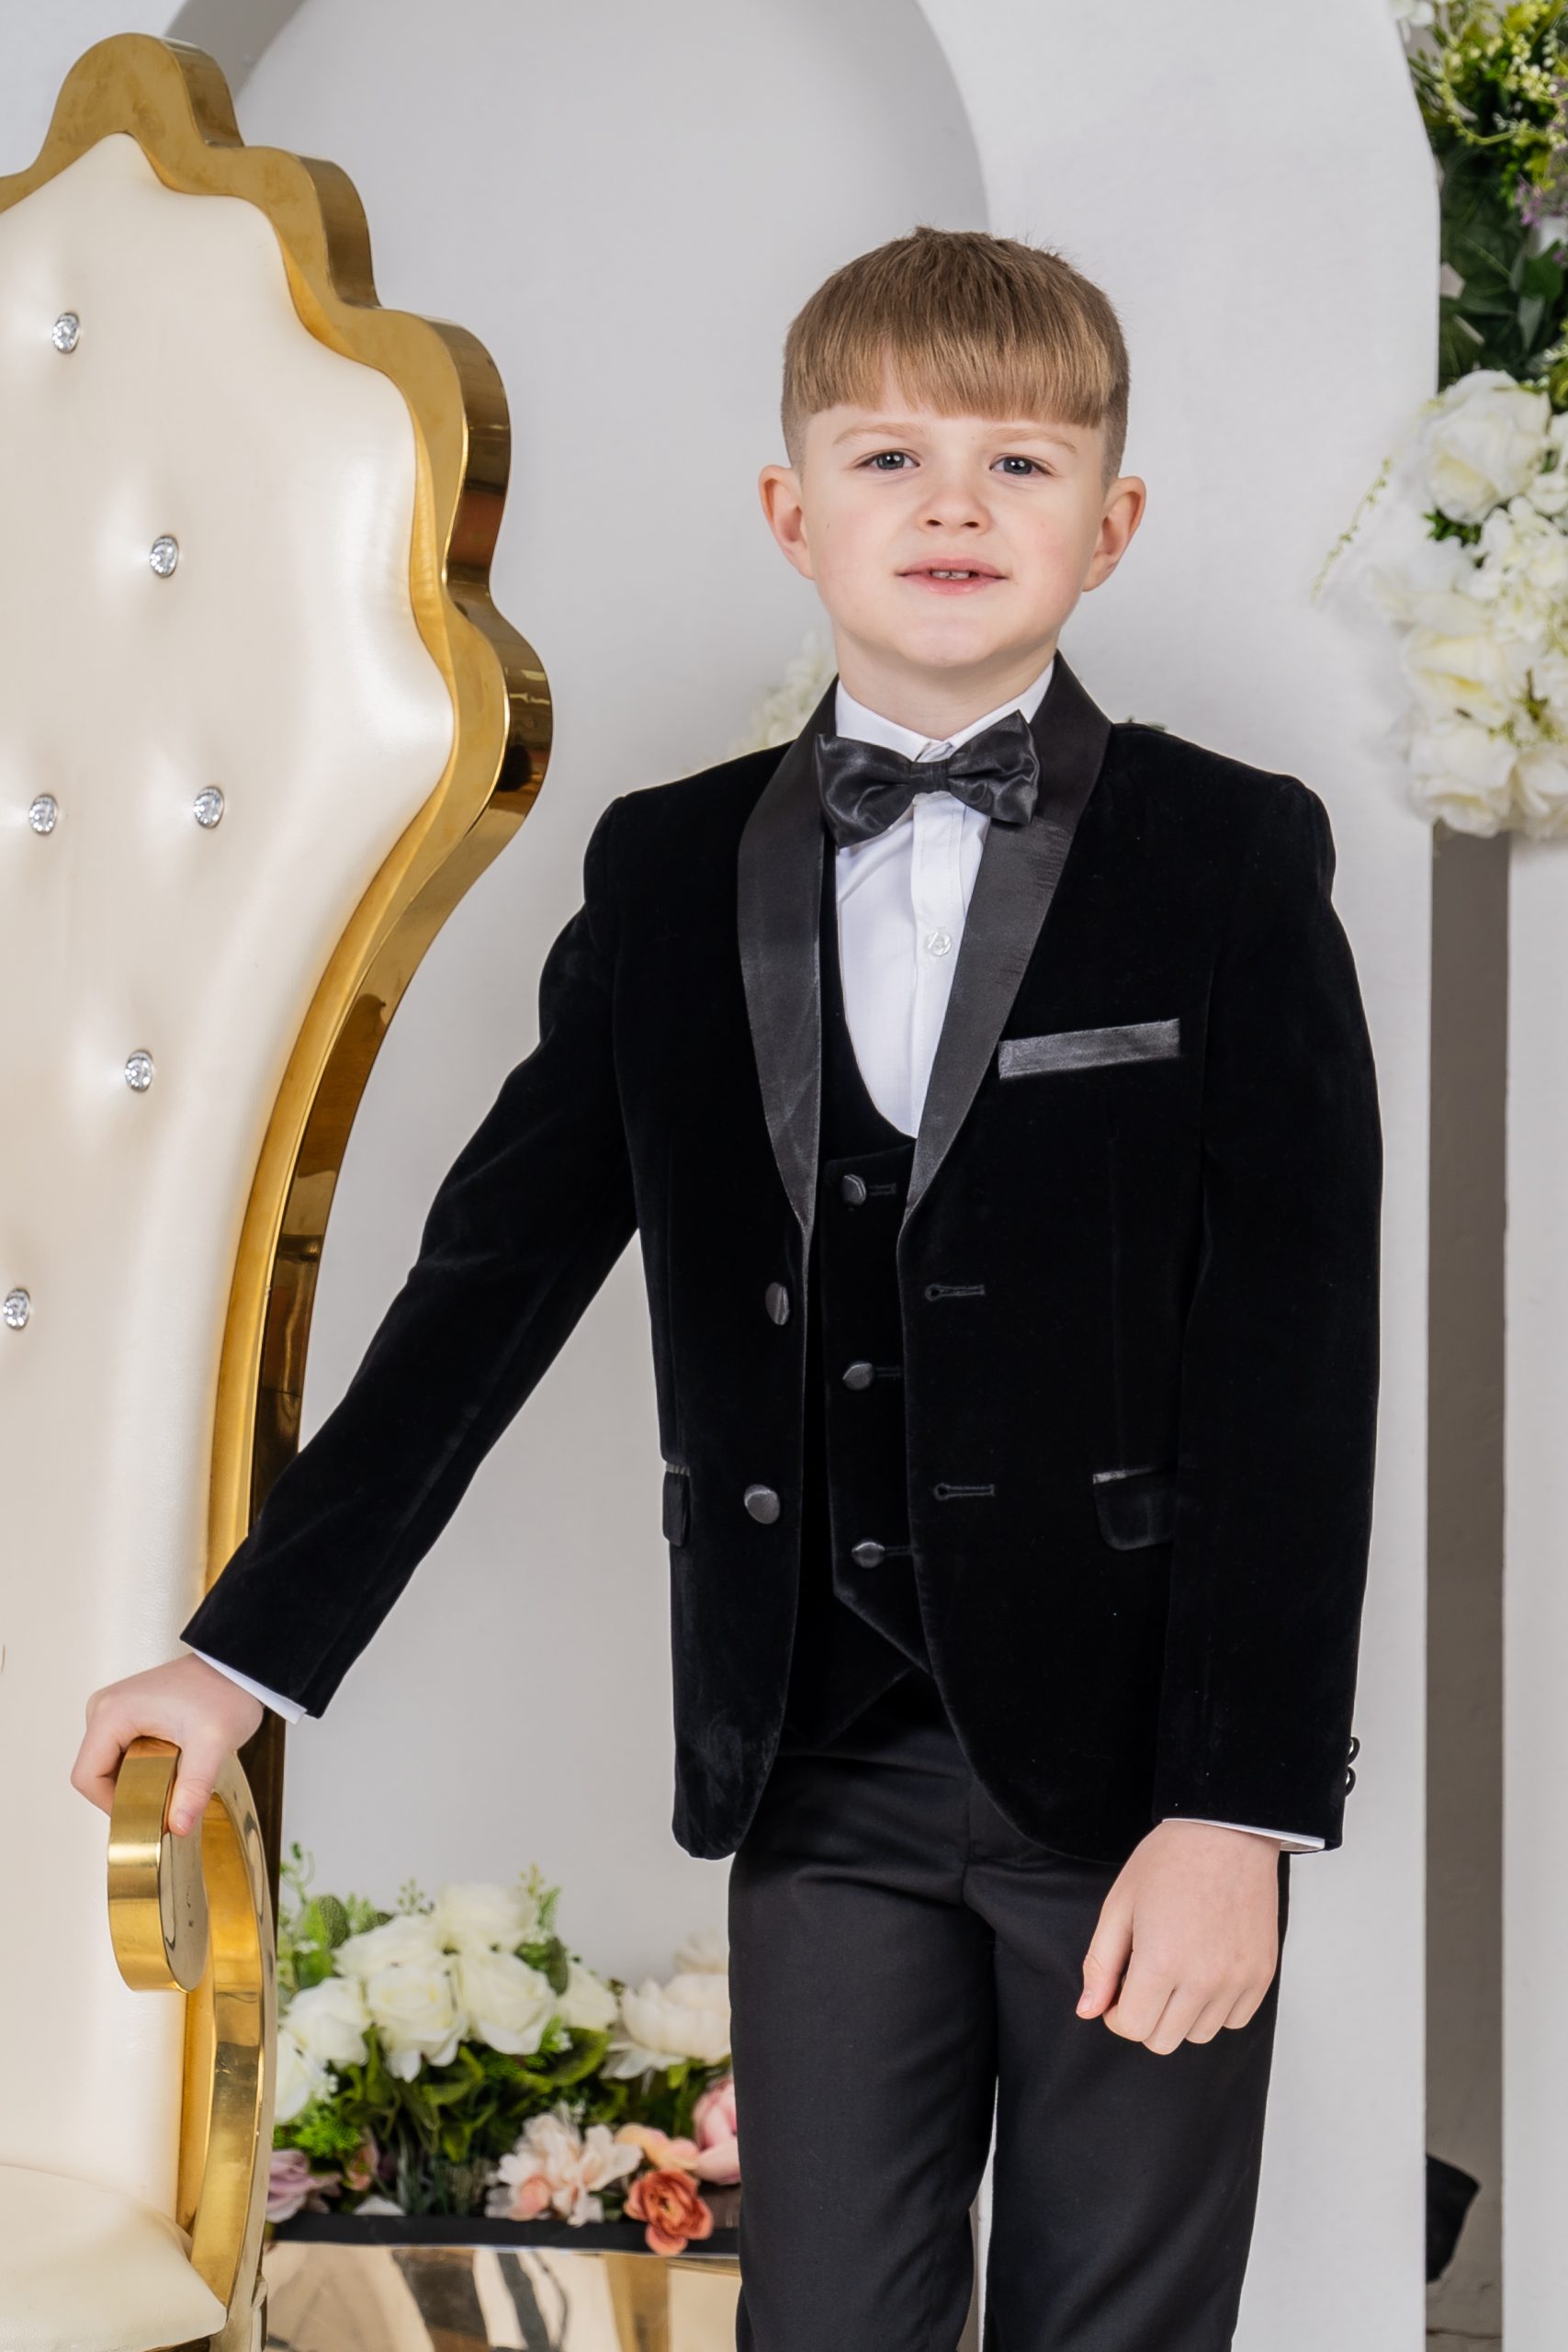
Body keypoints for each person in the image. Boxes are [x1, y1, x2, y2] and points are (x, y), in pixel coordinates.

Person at [71, 225, 1382, 2348]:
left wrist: (1239, 1804)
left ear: (1110, 521)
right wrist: (242, 1661)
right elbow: (481, 1288)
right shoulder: (669, 871)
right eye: (887, 457)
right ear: (791, 510)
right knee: (821, 2322)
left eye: (1017, 462)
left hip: (1142, 1763)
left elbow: (1295, 1357)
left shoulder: (1228, 854)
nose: (951, 503)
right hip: (818, 1767)